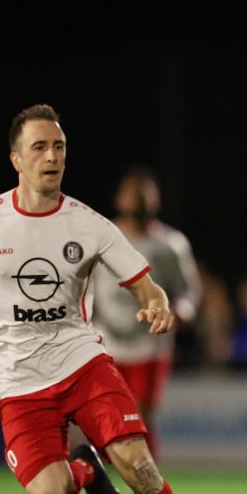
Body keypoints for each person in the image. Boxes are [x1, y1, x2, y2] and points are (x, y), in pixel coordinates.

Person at [0, 104, 195, 494]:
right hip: (17, 383)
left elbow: (146, 285)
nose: (52, 156)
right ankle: (86, 471)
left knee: (139, 463)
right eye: (40, 147)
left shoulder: (88, 225)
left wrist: (156, 303)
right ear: (16, 160)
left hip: (82, 364)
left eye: (59, 147)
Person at [92, 167, 196, 459]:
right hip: (106, 342)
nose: (137, 201)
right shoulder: (103, 239)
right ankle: (107, 485)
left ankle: (146, 491)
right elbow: (86, 288)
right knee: (108, 421)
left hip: (150, 345)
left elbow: (188, 291)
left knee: (140, 420)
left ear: (156, 200)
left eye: (143, 195)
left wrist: (181, 312)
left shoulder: (170, 244)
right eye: (132, 194)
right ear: (119, 198)